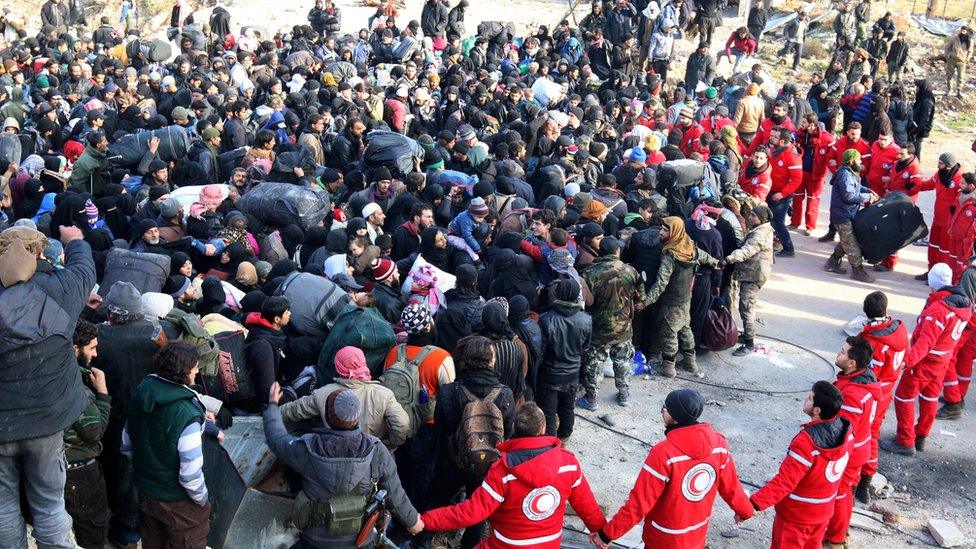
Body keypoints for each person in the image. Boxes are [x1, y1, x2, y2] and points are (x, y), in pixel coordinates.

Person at [0, 224, 93, 549]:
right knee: (49, 502)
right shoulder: (62, 289)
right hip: (48, 418)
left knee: (3, 506)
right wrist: (76, 241)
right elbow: (84, 269)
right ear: (39, 253)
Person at [421, 403, 607, 548]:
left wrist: (424, 520)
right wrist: (602, 534)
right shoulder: (568, 464)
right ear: (543, 429)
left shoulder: (502, 472)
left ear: (515, 429)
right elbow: (587, 505)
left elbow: (470, 513)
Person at [593, 389, 755, 548]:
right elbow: (731, 486)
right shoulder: (719, 444)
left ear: (674, 417)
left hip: (663, 538)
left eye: (665, 408)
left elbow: (639, 504)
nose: (663, 411)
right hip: (696, 534)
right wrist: (745, 510)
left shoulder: (663, 453)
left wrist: (606, 535)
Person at [265, 384, 424, 547]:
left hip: (315, 541)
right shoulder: (377, 450)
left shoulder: (307, 449)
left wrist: (272, 406)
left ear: (327, 415)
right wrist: (412, 521)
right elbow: (394, 492)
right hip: (361, 540)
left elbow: (276, 438)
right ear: (357, 418)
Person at [121, 342, 214, 547]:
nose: (197, 371)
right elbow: (189, 475)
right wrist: (202, 499)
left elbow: (126, 443)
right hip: (179, 501)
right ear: (185, 371)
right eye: (195, 367)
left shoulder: (142, 391)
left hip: (146, 492)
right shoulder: (187, 414)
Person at [428, 335, 516, 548]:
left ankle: (429, 534)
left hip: (453, 460)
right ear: (490, 361)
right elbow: (509, 432)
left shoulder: (449, 391)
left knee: (438, 498)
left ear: (466, 359)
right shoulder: (504, 394)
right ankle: (470, 543)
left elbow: (440, 427)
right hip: (488, 466)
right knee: (478, 510)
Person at [746, 381, 855, 549]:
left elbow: (785, 482)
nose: (806, 399)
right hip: (823, 512)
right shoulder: (846, 431)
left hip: (796, 516)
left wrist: (753, 504)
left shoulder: (806, 442)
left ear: (817, 410)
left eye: (810, 398)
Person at [884, 264, 972, 455]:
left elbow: (925, 343)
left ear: (932, 282)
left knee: (904, 397)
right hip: (942, 362)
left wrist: (906, 361)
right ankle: (921, 436)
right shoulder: (963, 303)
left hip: (924, 363)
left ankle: (905, 441)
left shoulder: (938, 310)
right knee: (930, 398)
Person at [283, 345, 411, 448]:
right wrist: (390, 443)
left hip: (336, 453)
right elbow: (402, 423)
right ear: (363, 363)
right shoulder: (384, 394)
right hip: (373, 453)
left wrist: (271, 412)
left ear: (339, 368)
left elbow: (294, 410)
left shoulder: (323, 393)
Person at [645, 217, 719, 378]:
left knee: (669, 333)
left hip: (671, 302)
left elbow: (660, 284)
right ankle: (690, 364)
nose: (661, 232)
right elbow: (707, 258)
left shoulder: (670, 256)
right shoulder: (690, 246)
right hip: (685, 299)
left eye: (666, 229)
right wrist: (716, 263)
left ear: (675, 232)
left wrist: (645, 301)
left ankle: (668, 367)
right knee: (685, 330)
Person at [825, 337, 880, 548]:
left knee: (838, 493)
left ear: (852, 363)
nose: (838, 353)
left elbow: (841, 431)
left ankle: (835, 540)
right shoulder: (865, 380)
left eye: (842, 352)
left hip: (850, 453)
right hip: (860, 448)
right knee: (845, 491)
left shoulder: (852, 394)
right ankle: (840, 532)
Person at [855, 291, 909, 503]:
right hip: (886, 390)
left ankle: (861, 484)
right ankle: (865, 483)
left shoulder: (873, 341)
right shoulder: (900, 328)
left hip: (872, 392)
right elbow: (906, 356)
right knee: (871, 433)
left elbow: (868, 373)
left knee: (863, 435)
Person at [580, 237, 644, 407]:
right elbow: (640, 296)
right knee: (622, 361)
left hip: (598, 327)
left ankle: (591, 399)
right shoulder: (631, 271)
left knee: (594, 362)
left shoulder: (589, 272)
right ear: (617, 251)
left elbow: (585, 302)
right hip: (623, 326)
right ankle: (624, 394)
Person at [65, 320, 112, 549]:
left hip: (50, 468)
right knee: (92, 531)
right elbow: (94, 432)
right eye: (92, 347)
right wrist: (103, 394)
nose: (96, 353)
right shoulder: (74, 386)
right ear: (75, 349)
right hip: (79, 472)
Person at [535, 278, 591, 438]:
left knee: (548, 411)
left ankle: (551, 440)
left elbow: (542, 350)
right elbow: (585, 347)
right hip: (572, 372)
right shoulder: (586, 319)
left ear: (558, 294)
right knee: (567, 407)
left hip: (550, 374)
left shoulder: (546, 318)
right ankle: (565, 434)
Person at [723, 204, 774, 356]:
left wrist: (728, 259)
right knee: (745, 306)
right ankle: (747, 335)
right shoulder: (761, 229)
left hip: (754, 275)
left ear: (761, 219)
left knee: (746, 307)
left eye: (753, 215)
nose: (749, 217)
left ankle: (749, 343)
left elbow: (747, 250)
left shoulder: (759, 234)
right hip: (752, 272)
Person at [823, 149, 877, 283]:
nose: (861, 163)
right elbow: (849, 195)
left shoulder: (851, 173)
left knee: (846, 240)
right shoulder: (845, 175)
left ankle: (833, 262)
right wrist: (867, 197)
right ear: (852, 161)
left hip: (847, 213)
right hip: (842, 215)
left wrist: (869, 192)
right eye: (859, 160)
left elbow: (856, 188)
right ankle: (857, 270)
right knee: (851, 244)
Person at [766, 127, 803, 258]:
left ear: (782, 142)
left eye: (775, 137)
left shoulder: (791, 157)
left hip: (781, 195)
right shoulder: (776, 151)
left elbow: (797, 180)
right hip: (771, 191)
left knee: (778, 222)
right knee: (770, 220)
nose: (771, 138)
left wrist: (782, 194)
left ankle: (789, 249)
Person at [944, 25, 974, 99]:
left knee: (961, 76)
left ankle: (959, 91)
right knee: (949, 75)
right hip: (952, 59)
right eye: (962, 30)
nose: (962, 32)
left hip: (962, 61)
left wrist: (967, 59)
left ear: (967, 32)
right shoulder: (955, 38)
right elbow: (948, 47)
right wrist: (947, 55)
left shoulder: (969, 40)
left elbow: (970, 51)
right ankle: (949, 90)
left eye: (964, 31)